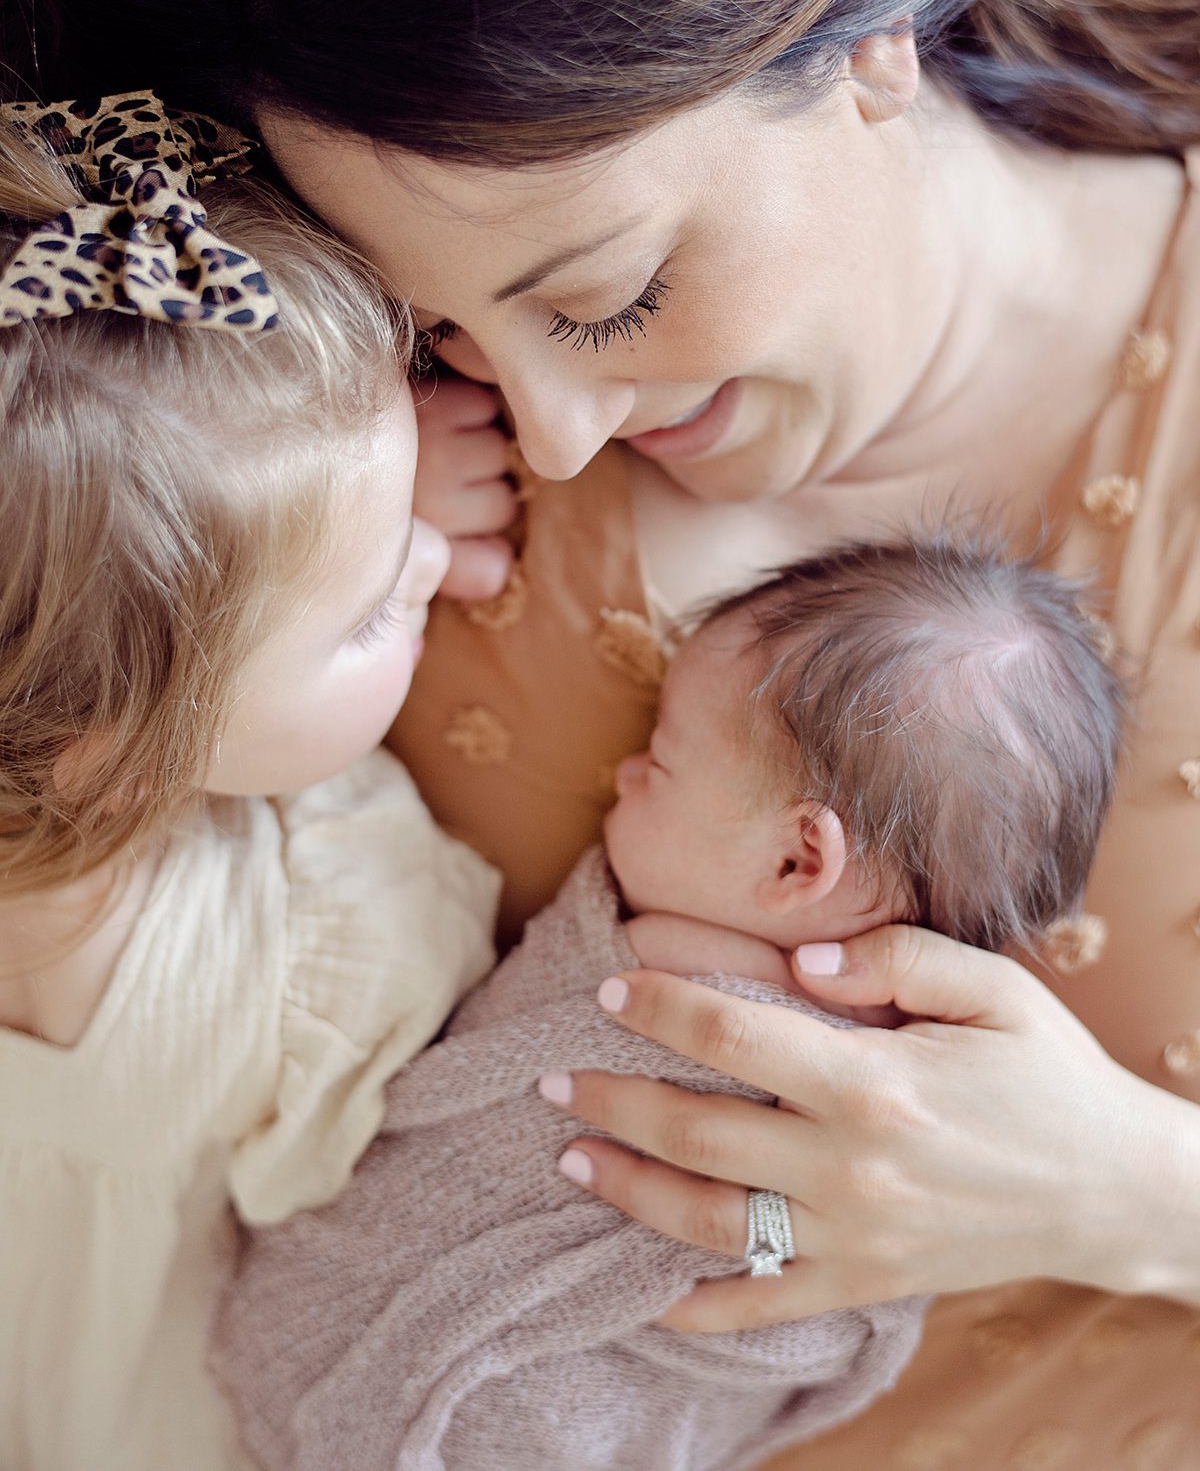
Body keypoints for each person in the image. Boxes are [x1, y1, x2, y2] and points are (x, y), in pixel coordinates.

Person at [3, 0, 1200, 1463]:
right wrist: (289, 527)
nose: (552, 430)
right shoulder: (337, 467)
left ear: (864, 20)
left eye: (608, 296)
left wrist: (1135, 1193)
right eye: (452, 325)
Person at [216, 535, 1124, 1471]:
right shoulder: (941, 1080)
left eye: (660, 757)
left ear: (796, 863)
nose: (624, 773)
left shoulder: (654, 971)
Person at [0, 92, 499, 1471]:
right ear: (112, 740)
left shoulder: (63, 713)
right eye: (362, 620)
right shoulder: (321, 934)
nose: (431, 567)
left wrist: (343, 534)